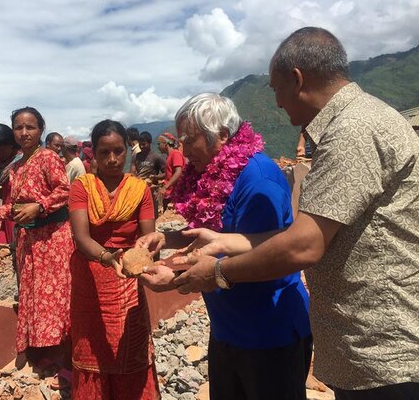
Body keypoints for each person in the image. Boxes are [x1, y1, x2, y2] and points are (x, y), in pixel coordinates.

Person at [171, 28, 419, 399]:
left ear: (297, 79)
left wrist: (217, 271)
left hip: (381, 348)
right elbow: (289, 237)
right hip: (359, 343)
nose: (276, 102)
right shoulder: (354, 123)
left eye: (274, 89)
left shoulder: (352, 131)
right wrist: (212, 241)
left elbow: (301, 246)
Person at [138, 93, 312, 400]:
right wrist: (167, 239)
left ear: (221, 135)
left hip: (267, 332)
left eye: (189, 140)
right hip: (227, 329)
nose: (183, 150)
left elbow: (266, 259)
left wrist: (177, 281)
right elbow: (214, 235)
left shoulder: (258, 182)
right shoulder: (206, 174)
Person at [0, 107, 74, 386]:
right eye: (18, 127)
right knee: (33, 294)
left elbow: (64, 191)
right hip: (28, 242)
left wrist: (40, 206)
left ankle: (67, 359)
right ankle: (43, 352)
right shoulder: (17, 166)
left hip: (53, 239)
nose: (24, 133)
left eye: (30, 127)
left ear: (41, 129)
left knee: (56, 297)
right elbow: (18, 204)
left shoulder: (49, 158)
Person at [69, 119, 160, 400]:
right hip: (90, 273)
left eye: (118, 151)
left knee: (129, 341)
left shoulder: (139, 189)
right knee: (91, 341)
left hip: (127, 277)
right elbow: (81, 237)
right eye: (104, 152)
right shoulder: (82, 187)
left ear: (127, 151)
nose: (112, 159)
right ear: (93, 153)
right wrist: (109, 258)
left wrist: (139, 259)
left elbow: (148, 237)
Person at [155, 132, 185, 211]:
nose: (158, 146)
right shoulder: (170, 156)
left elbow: (178, 172)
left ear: (165, 144)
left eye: (159, 144)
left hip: (173, 193)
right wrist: (157, 177)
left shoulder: (175, 154)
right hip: (169, 193)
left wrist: (165, 187)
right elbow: (170, 172)